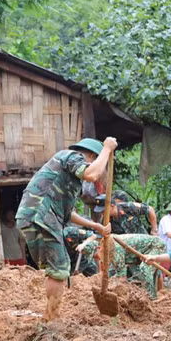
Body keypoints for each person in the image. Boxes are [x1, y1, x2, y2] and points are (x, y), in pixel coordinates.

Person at [16, 137, 115, 320]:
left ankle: (50, 316)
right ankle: (52, 319)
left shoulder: (69, 179)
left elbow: (68, 214)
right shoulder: (72, 156)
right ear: (92, 156)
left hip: (36, 216)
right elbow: (92, 174)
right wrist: (107, 149)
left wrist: (95, 226)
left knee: (57, 267)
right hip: (41, 215)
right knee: (60, 268)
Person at [79, 233, 166, 299]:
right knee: (140, 274)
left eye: (95, 256)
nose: (97, 259)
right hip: (141, 251)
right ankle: (153, 294)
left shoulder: (114, 248)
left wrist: (110, 288)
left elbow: (122, 276)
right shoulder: (107, 246)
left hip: (155, 246)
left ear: (99, 249)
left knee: (145, 269)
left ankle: (151, 298)